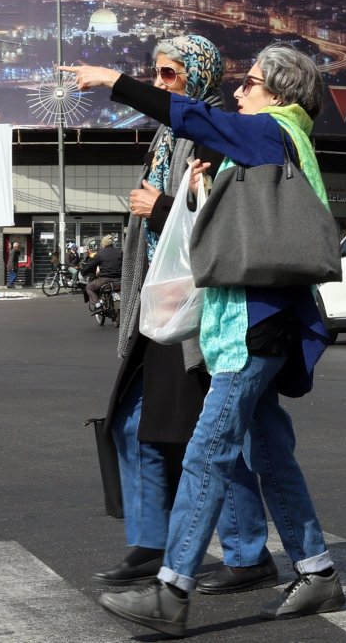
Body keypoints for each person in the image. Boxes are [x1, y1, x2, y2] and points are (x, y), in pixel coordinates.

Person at [64, 43, 344, 636]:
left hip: (252, 326)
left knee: (205, 452)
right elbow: (242, 228)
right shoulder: (278, 140)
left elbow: (188, 115)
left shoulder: (269, 130)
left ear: (278, 93)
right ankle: (316, 571)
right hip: (265, 323)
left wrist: (114, 81)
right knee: (268, 453)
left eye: (250, 82)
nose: (239, 92)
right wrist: (197, 195)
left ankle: (171, 590)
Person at [95, 34, 275, 595]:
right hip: (160, 302)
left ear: (199, 73)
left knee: (213, 436)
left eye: (170, 74)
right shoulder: (167, 137)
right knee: (134, 422)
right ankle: (151, 543)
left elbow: (230, 223)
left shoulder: (216, 131)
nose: (160, 84)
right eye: (156, 73)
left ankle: (248, 552)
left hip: (201, 308)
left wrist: (163, 206)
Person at [83, 234, 123, 314]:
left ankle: (98, 305)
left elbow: (91, 265)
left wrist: (83, 272)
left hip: (105, 280)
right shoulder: (120, 252)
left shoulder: (100, 253)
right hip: (119, 280)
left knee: (89, 288)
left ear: (103, 243)